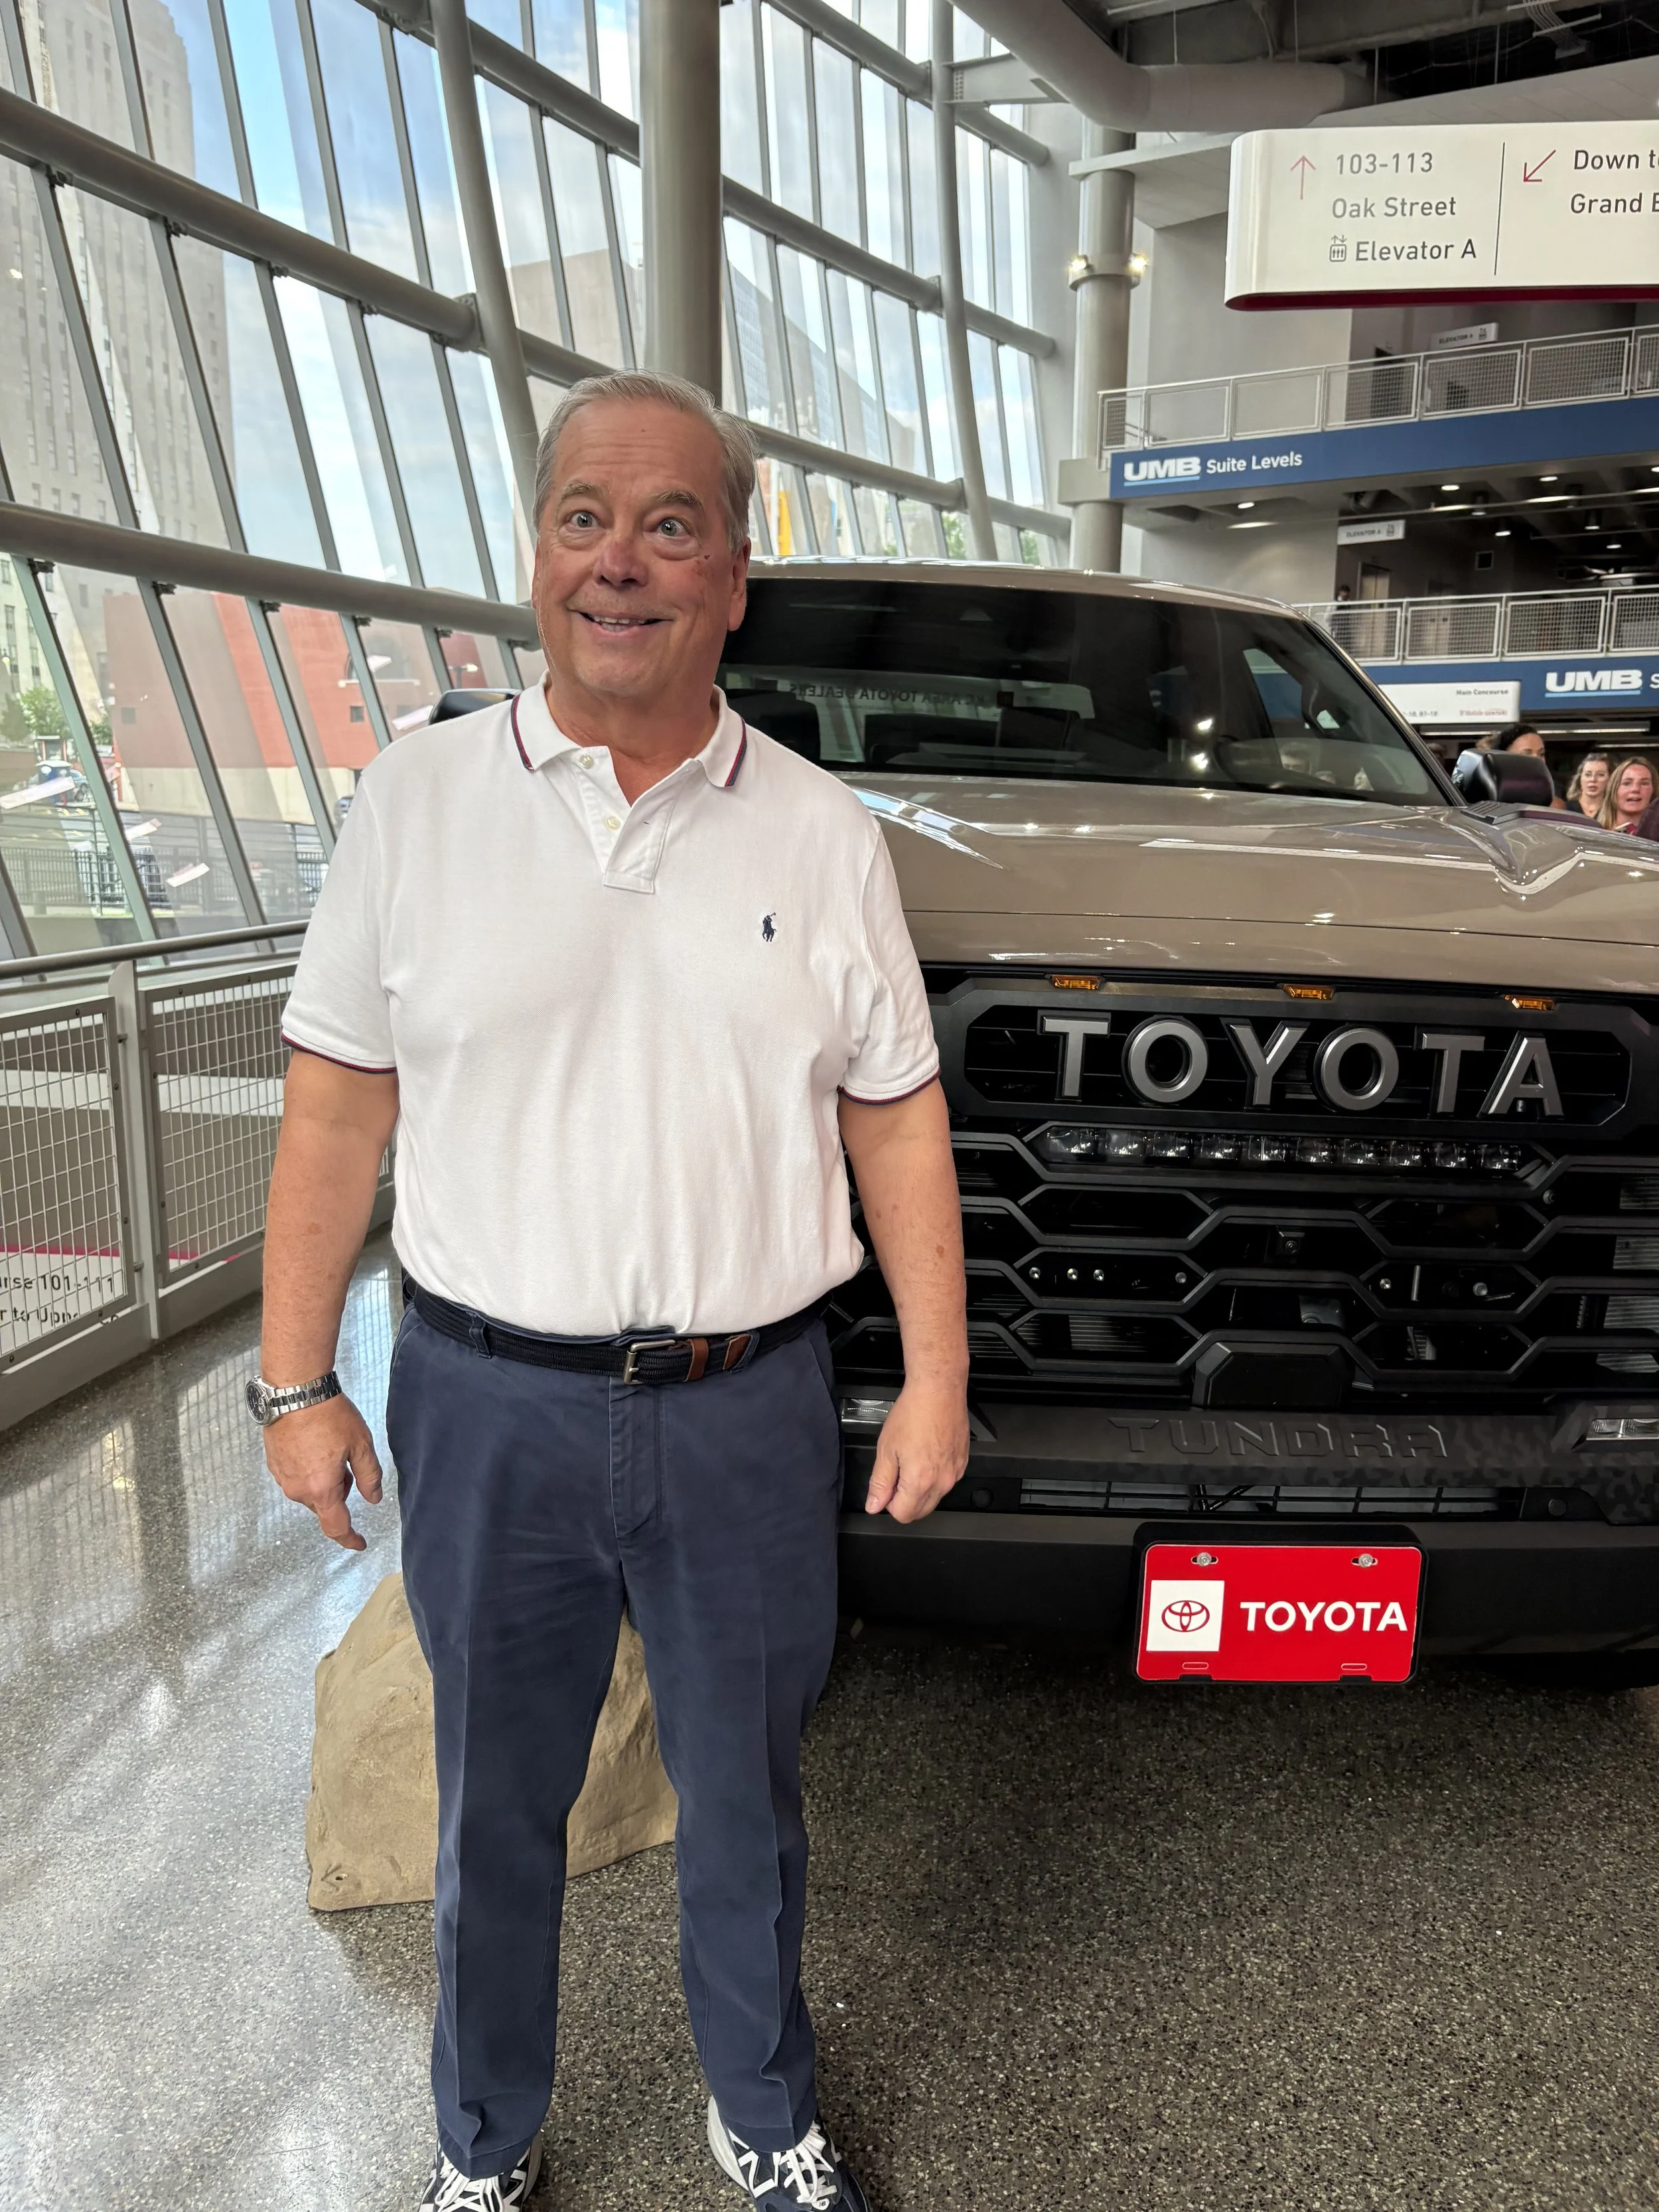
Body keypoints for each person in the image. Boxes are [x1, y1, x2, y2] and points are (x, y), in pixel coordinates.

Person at [254, 370, 971, 2212]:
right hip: (486, 1401)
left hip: (746, 1402)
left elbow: (895, 1121)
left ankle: (762, 2104)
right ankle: (483, 2137)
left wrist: (940, 1378)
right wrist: (293, 1380)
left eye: (672, 523)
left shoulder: (821, 834)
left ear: (737, 573)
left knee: (747, 1792)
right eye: (586, 516)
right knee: (490, 1809)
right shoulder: (414, 805)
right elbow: (336, 1107)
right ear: (536, 555)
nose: (623, 561)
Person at [1599, 754, 1658, 833]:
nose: (1635, 789)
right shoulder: (1591, 834)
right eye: (1627, 783)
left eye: (1644, 783)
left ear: (1653, 790)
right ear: (1613, 790)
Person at [1564, 750, 1611, 817]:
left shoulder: (1614, 811)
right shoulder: (1564, 809)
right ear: (1580, 778)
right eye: (1588, 775)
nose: (1593, 780)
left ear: (1610, 779)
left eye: (1601, 775)